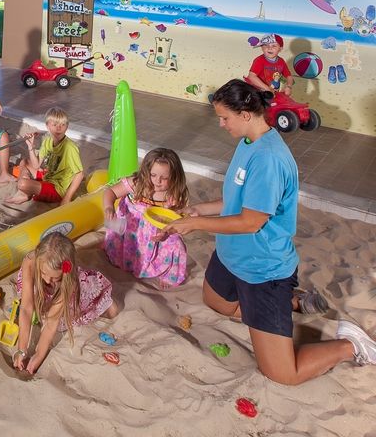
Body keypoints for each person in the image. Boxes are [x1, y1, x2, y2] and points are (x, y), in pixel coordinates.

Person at [165, 79, 376, 384]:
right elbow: (237, 200)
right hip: (231, 254)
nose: (221, 124)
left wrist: (194, 225)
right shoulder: (248, 142)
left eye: (224, 118)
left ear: (245, 115)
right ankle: (294, 302)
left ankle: (349, 345)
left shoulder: (269, 159)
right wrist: (198, 211)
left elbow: (251, 221)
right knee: (216, 302)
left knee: (282, 374)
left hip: (262, 269)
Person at [13, 232, 118, 375]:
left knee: (112, 311)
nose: (47, 280)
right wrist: (21, 349)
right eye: (43, 272)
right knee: (37, 294)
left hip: (66, 290)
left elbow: (52, 321)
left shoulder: (69, 280)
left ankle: (100, 299)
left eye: (54, 277)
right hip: (40, 288)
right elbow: (26, 307)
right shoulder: (31, 262)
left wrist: (39, 355)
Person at [103, 147, 190, 288]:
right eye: (153, 175)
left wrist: (166, 232)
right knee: (124, 251)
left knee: (177, 243)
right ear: (145, 171)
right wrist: (108, 207)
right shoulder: (136, 183)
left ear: (175, 177)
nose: (157, 181)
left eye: (164, 178)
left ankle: (168, 273)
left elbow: (174, 218)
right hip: (131, 228)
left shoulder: (173, 194)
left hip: (156, 232)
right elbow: (110, 192)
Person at [4, 107, 84, 206]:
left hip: (57, 189)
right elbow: (36, 165)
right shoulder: (47, 141)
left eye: (63, 124)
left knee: (22, 184)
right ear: (47, 126)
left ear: (67, 126)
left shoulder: (70, 147)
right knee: (24, 162)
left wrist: (67, 198)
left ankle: (25, 190)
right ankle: (24, 192)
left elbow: (80, 174)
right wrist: (31, 147)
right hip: (47, 177)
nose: (59, 128)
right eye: (55, 124)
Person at [246, 34, 293, 98]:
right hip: (258, 93)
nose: (269, 48)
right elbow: (251, 76)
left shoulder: (281, 61)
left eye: (274, 46)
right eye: (266, 45)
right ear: (262, 47)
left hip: (273, 92)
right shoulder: (259, 60)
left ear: (280, 49)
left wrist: (289, 86)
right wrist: (268, 89)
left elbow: (288, 76)